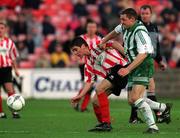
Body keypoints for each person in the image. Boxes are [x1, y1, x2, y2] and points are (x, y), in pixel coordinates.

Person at [99, 8, 172, 133]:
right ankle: (163, 107)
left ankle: (153, 127)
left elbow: (143, 54)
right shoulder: (125, 26)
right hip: (134, 64)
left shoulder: (140, 32)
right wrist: (103, 41)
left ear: (132, 19)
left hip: (143, 64)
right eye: (121, 19)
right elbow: (114, 31)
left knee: (135, 97)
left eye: (124, 19)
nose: (121, 22)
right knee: (132, 101)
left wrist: (127, 69)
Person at [70, 37, 128, 132]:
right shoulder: (88, 64)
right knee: (95, 101)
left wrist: (127, 55)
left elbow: (113, 43)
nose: (75, 53)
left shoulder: (95, 45)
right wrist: (80, 95)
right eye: (73, 51)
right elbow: (89, 82)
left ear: (84, 46)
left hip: (121, 68)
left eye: (76, 49)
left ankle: (106, 123)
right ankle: (102, 123)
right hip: (112, 76)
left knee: (99, 89)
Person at [129, 5, 168, 124]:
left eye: (146, 13)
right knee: (147, 90)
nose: (144, 15)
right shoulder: (138, 27)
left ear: (151, 14)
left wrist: (160, 60)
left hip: (149, 61)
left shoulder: (154, 27)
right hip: (141, 62)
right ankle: (160, 112)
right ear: (140, 15)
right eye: (142, 14)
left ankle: (134, 117)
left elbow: (155, 47)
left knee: (138, 93)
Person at [73, 20, 101, 112]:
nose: (91, 29)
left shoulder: (99, 39)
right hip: (83, 65)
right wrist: (77, 59)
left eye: (93, 27)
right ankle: (81, 105)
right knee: (88, 84)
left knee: (91, 85)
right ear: (86, 28)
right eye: (89, 27)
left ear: (96, 28)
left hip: (95, 65)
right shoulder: (81, 38)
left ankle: (81, 104)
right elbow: (74, 51)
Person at [0, 20, 21, 119]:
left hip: (7, 69)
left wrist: (16, 70)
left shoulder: (9, 42)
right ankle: (1, 113)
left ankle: (14, 112)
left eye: (2, 28)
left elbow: (13, 57)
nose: (0, 30)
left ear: (5, 29)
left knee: (10, 90)